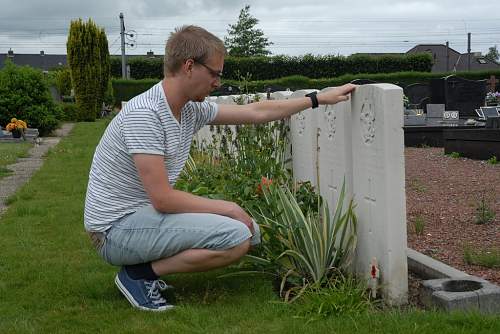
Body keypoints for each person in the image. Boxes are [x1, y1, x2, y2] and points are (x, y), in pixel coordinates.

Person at [84, 25, 356, 312]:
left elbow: (255, 112)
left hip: (139, 218)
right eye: (214, 73)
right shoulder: (146, 114)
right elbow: (162, 198)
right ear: (189, 66)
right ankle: (139, 275)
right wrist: (228, 207)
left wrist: (317, 99)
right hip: (114, 231)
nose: (217, 82)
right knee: (237, 237)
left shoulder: (189, 108)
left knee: (245, 232)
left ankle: (144, 268)